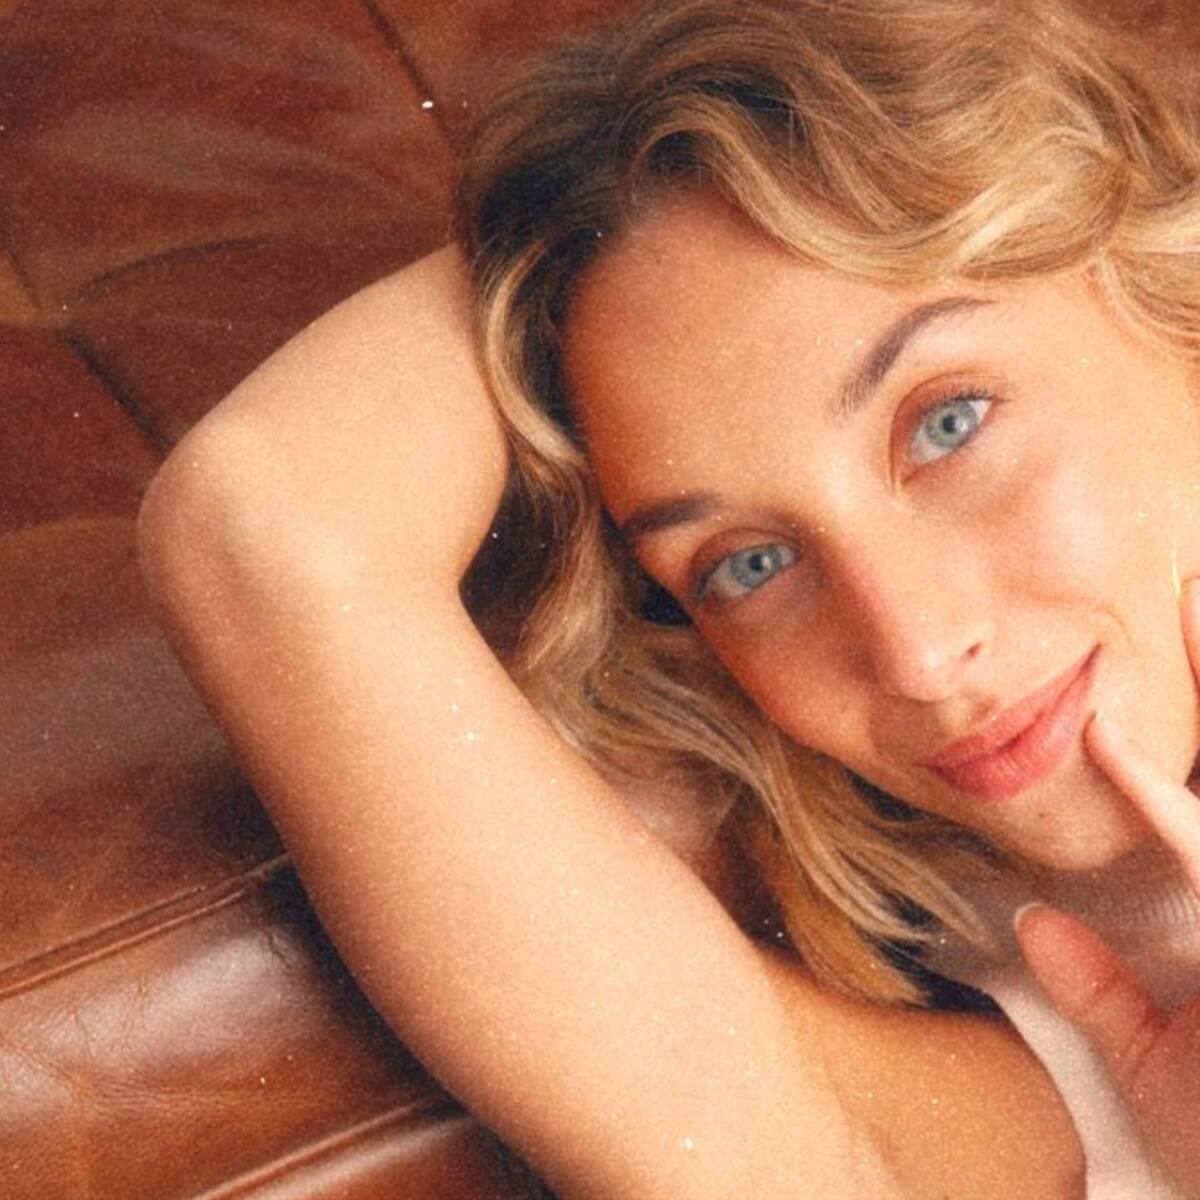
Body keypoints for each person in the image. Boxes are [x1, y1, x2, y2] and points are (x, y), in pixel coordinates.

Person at [137, 0, 1200, 1195]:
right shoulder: (1047, 1040)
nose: (914, 652)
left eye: (947, 425)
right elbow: (264, 528)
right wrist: (574, 214)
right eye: (748, 565)